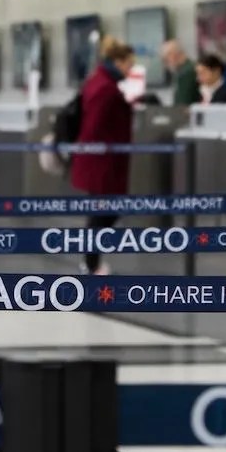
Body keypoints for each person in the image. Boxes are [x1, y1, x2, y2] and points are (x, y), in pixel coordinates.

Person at [70, 40, 135, 275]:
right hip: (103, 162)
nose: (130, 70)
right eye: (128, 64)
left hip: (103, 160)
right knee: (104, 212)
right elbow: (95, 126)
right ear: (117, 62)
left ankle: (91, 262)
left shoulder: (99, 82)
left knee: (103, 211)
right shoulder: (105, 88)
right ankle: (91, 263)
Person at [160, 41, 198, 106]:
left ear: (175, 55)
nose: (165, 65)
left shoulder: (186, 73)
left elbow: (182, 105)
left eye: (166, 59)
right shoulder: (186, 69)